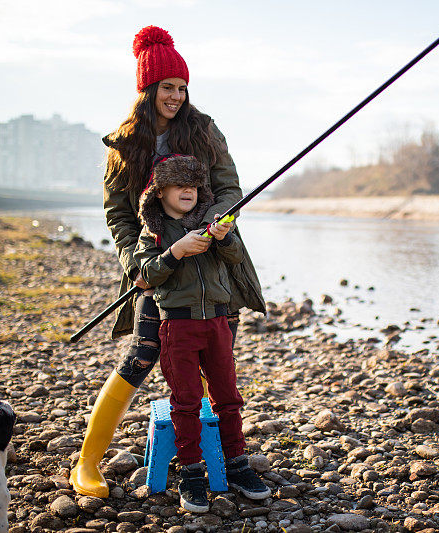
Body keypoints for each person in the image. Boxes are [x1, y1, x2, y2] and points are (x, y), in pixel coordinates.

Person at [70, 25, 266, 499]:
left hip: (213, 264)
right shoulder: (124, 142)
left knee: (216, 365)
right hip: (156, 264)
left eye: (182, 87)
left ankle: (213, 461)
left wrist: (217, 221)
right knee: (141, 355)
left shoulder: (203, 129)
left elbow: (230, 188)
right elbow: (117, 213)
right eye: (167, 87)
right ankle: (87, 463)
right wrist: (136, 264)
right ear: (147, 88)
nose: (176, 96)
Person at [134, 153, 268, 512]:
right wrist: (175, 252)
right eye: (180, 185)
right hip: (177, 326)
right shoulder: (155, 231)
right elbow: (144, 275)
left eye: (193, 186)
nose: (188, 191)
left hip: (218, 323)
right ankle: (191, 472)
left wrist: (223, 238)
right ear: (160, 192)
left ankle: (237, 465)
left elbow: (236, 257)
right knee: (187, 400)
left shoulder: (214, 222)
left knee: (227, 395)